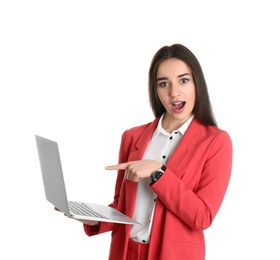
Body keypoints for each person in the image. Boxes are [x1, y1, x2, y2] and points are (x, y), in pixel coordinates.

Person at [62, 43, 233, 260]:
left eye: (184, 80)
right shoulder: (132, 137)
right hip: (126, 252)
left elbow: (202, 217)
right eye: (164, 84)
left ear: (197, 83)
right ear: (155, 89)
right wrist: (95, 219)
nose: (174, 92)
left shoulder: (216, 141)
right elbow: (121, 205)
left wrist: (158, 172)